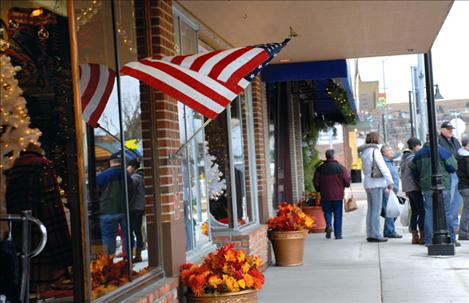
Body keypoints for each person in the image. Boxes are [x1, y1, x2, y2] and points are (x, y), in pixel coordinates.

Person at [5, 143, 72, 289]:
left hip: (22, 240)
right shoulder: (41, 166)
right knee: (45, 288)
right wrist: (64, 254)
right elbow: (52, 210)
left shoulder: (13, 169)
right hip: (43, 243)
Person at [411, 134, 459, 246]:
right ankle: (451, 239)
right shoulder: (443, 152)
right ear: (436, 140)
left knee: (428, 212)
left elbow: (413, 170)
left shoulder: (419, 154)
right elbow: (453, 167)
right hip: (444, 185)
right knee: (447, 212)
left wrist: (421, 180)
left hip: (427, 187)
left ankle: (428, 240)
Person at [97, 151, 133, 256]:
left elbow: (95, 194)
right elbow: (131, 191)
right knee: (127, 236)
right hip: (124, 209)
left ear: (110, 162)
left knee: (108, 237)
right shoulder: (126, 175)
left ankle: (109, 261)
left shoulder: (102, 176)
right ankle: (127, 260)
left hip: (107, 210)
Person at [360, 132, 393, 243]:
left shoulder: (364, 152)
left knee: (371, 210)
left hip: (368, 183)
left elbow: (365, 169)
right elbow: (383, 167)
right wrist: (390, 181)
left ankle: (370, 233)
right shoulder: (375, 151)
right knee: (376, 210)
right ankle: (376, 234)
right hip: (377, 183)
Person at [313, 149, 351, 239]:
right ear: (334, 156)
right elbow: (347, 181)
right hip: (338, 195)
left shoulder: (320, 168)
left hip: (325, 195)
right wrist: (346, 185)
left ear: (326, 156)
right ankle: (338, 235)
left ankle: (329, 225)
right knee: (338, 215)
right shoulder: (341, 168)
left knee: (327, 212)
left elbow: (316, 182)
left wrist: (319, 189)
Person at [438, 121, 462, 236]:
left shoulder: (455, 141)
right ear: (442, 130)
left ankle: (455, 226)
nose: (450, 131)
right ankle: (450, 228)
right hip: (448, 174)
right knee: (450, 201)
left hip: (457, 173)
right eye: (448, 129)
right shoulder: (439, 141)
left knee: (457, 202)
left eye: (451, 129)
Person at [399, 137, 425, 244]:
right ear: (416, 146)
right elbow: (416, 173)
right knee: (422, 212)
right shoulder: (412, 158)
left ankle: (414, 236)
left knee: (414, 211)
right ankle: (423, 235)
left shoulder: (404, 158)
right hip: (414, 187)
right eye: (419, 146)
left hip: (408, 188)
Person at [381, 144, 402, 239]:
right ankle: (390, 231)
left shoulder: (391, 162)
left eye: (391, 150)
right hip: (388, 190)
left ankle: (388, 230)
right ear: (384, 153)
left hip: (394, 190)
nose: (391, 151)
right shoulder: (383, 162)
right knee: (390, 211)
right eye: (389, 150)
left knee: (394, 210)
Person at [127, 159, 146, 262]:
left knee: (130, 231)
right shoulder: (144, 178)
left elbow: (131, 194)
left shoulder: (134, 178)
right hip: (141, 208)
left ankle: (131, 256)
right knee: (138, 231)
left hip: (133, 208)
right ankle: (138, 255)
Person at [456, 135, 469, 241]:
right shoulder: (466, 157)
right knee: (467, 210)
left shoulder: (460, 155)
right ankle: (464, 233)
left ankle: (465, 232)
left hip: (462, 186)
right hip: (466, 187)